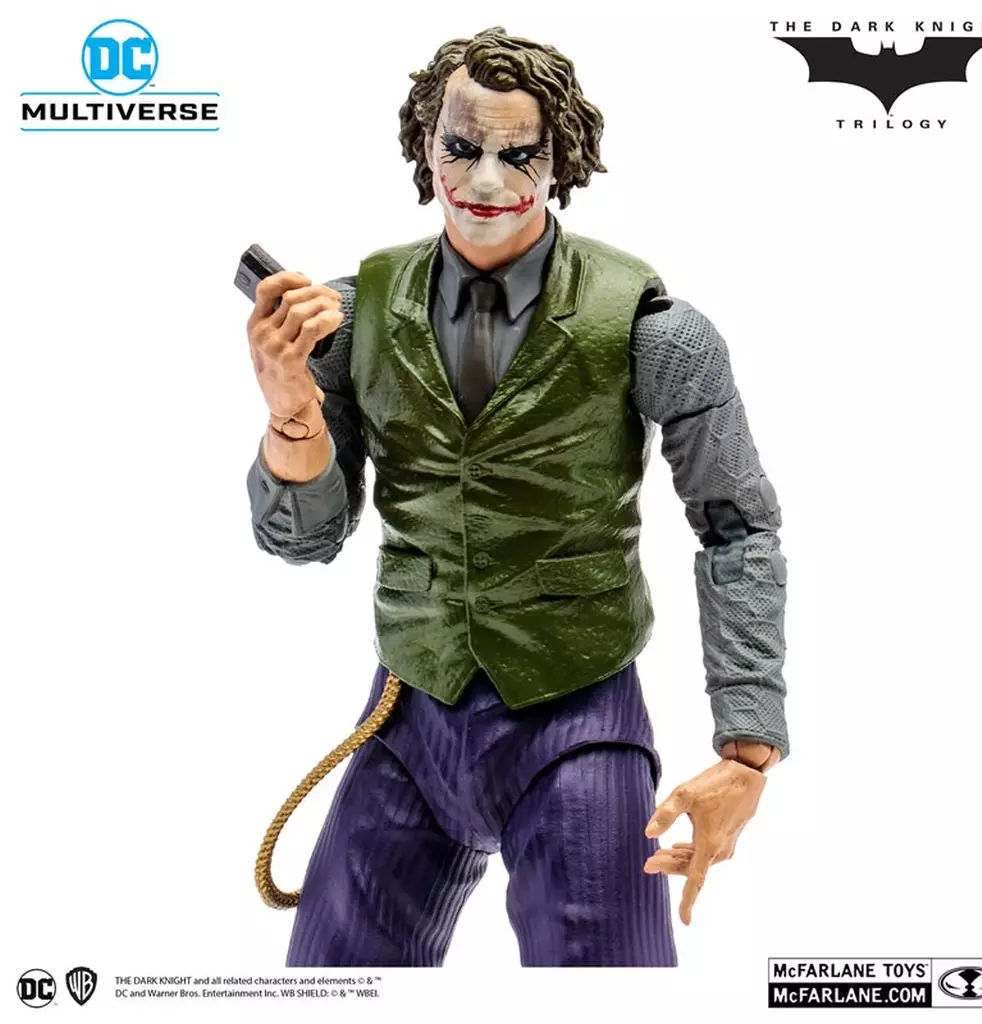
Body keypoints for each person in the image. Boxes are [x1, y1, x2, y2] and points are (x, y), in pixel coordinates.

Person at [244, 26, 789, 968]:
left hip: (576, 720)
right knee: (326, 987)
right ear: (425, 146)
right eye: (462, 147)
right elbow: (304, 538)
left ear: (560, 158)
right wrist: (293, 414)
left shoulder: (652, 330)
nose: (487, 181)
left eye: (519, 154)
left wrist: (748, 747)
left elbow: (736, 525)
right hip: (409, 717)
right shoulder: (355, 317)